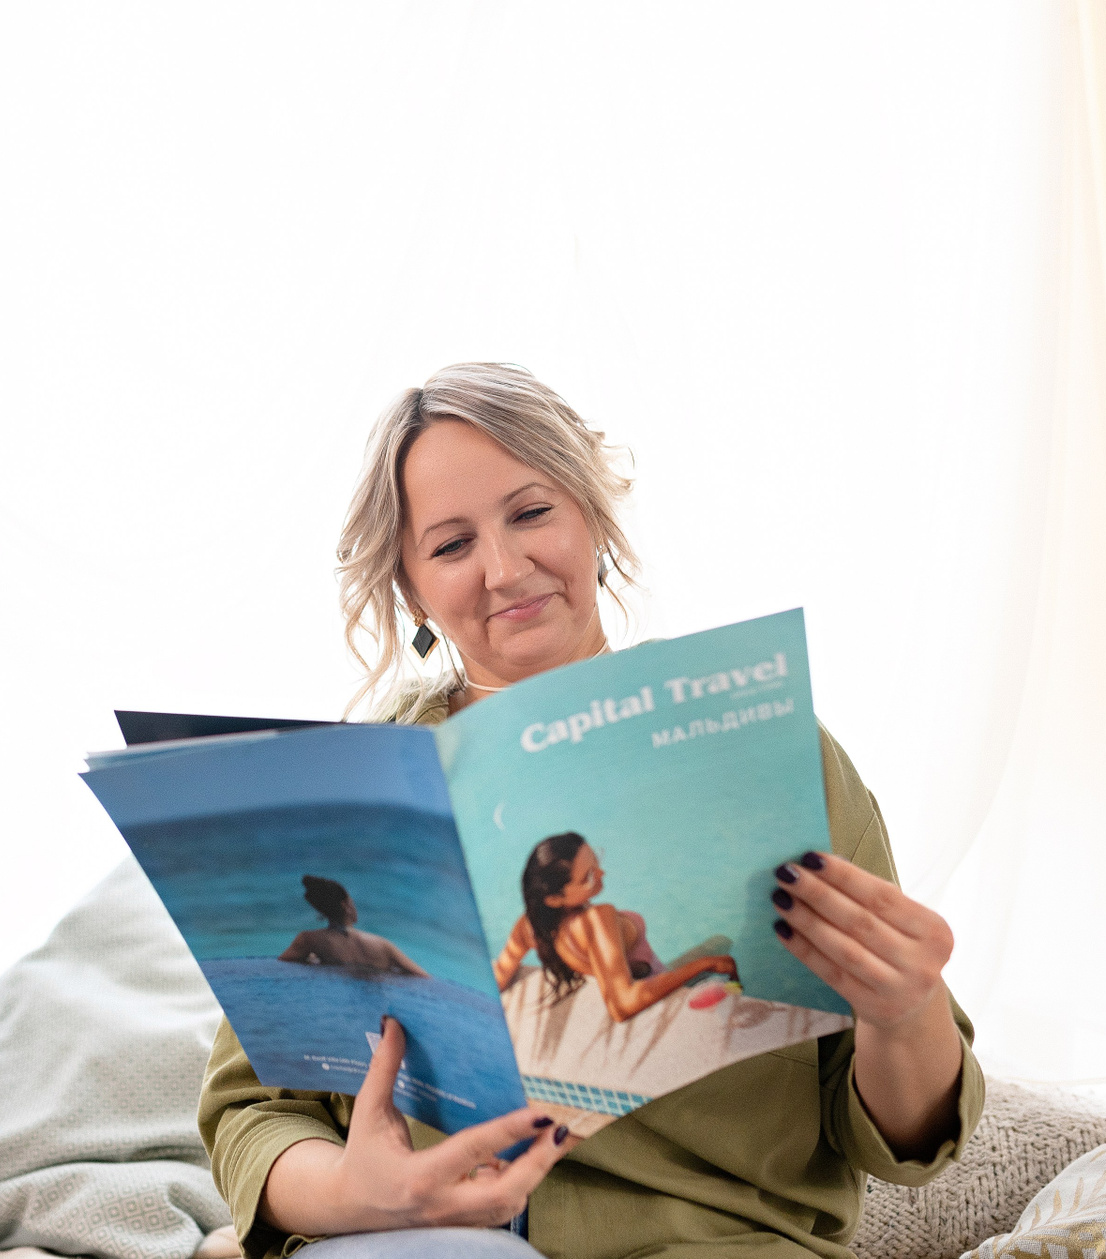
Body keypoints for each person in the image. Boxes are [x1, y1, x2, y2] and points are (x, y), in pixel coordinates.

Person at [196, 363, 984, 1259]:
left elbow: (904, 1140)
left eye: (532, 512)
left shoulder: (762, 746)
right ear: (412, 588)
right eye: (451, 546)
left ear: (594, 516)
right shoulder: (349, 786)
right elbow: (254, 1109)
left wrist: (906, 1011)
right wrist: (352, 1192)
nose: (505, 570)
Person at [492, 833, 735, 1018]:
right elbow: (622, 1005)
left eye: (596, 860)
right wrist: (703, 964)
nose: (601, 873)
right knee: (720, 945)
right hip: (658, 990)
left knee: (718, 946)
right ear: (555, 899)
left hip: (640, 974)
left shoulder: (529, 926)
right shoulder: (598, 919)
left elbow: (498, 978)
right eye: (588, 876)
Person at [281, 875, 431, 977]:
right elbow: (422, 977)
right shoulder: (383, 946)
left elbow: (283, 964)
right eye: (352, 902)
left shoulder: (309, 940)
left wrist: (313, 963)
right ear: (345, 905)